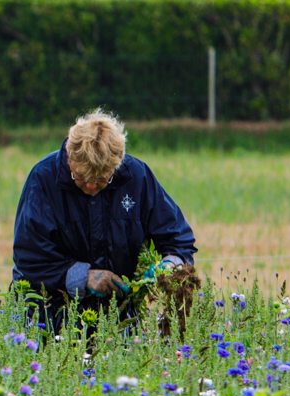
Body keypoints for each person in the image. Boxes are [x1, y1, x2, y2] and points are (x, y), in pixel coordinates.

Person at [12, 108, 197, 334]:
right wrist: (84, 277)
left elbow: (178, 238)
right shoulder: (43, 179)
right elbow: (29, 256)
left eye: (101, 180)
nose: (91, 186)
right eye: (81, 177)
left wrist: (168, 266)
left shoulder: (137, 177)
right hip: (50, 319)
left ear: (117, 165)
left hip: (120, 319)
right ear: (70, 156)